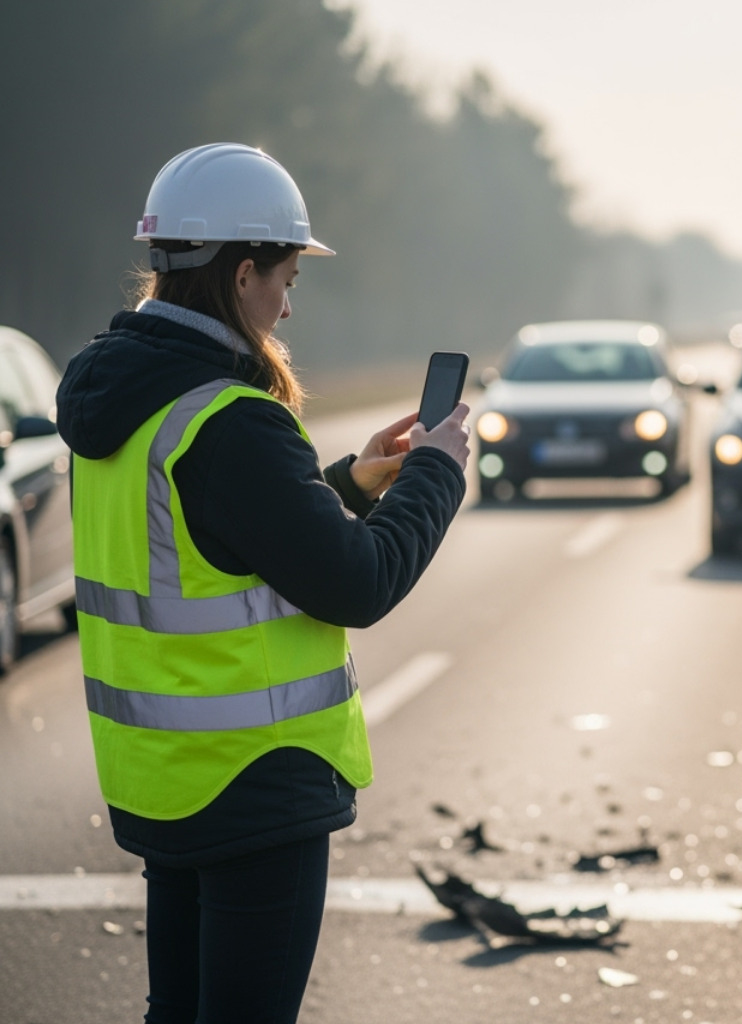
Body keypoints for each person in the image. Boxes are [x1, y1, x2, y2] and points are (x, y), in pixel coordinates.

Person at [55, 143, 471, 1024]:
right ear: (245, 274)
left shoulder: (129, 399)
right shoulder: (233, 419)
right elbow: (358, 584)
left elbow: (211, 541)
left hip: (162, 783)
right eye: (287, 276)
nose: (289, 302)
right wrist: (438, 474)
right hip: (255, 785)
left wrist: (351, 485)